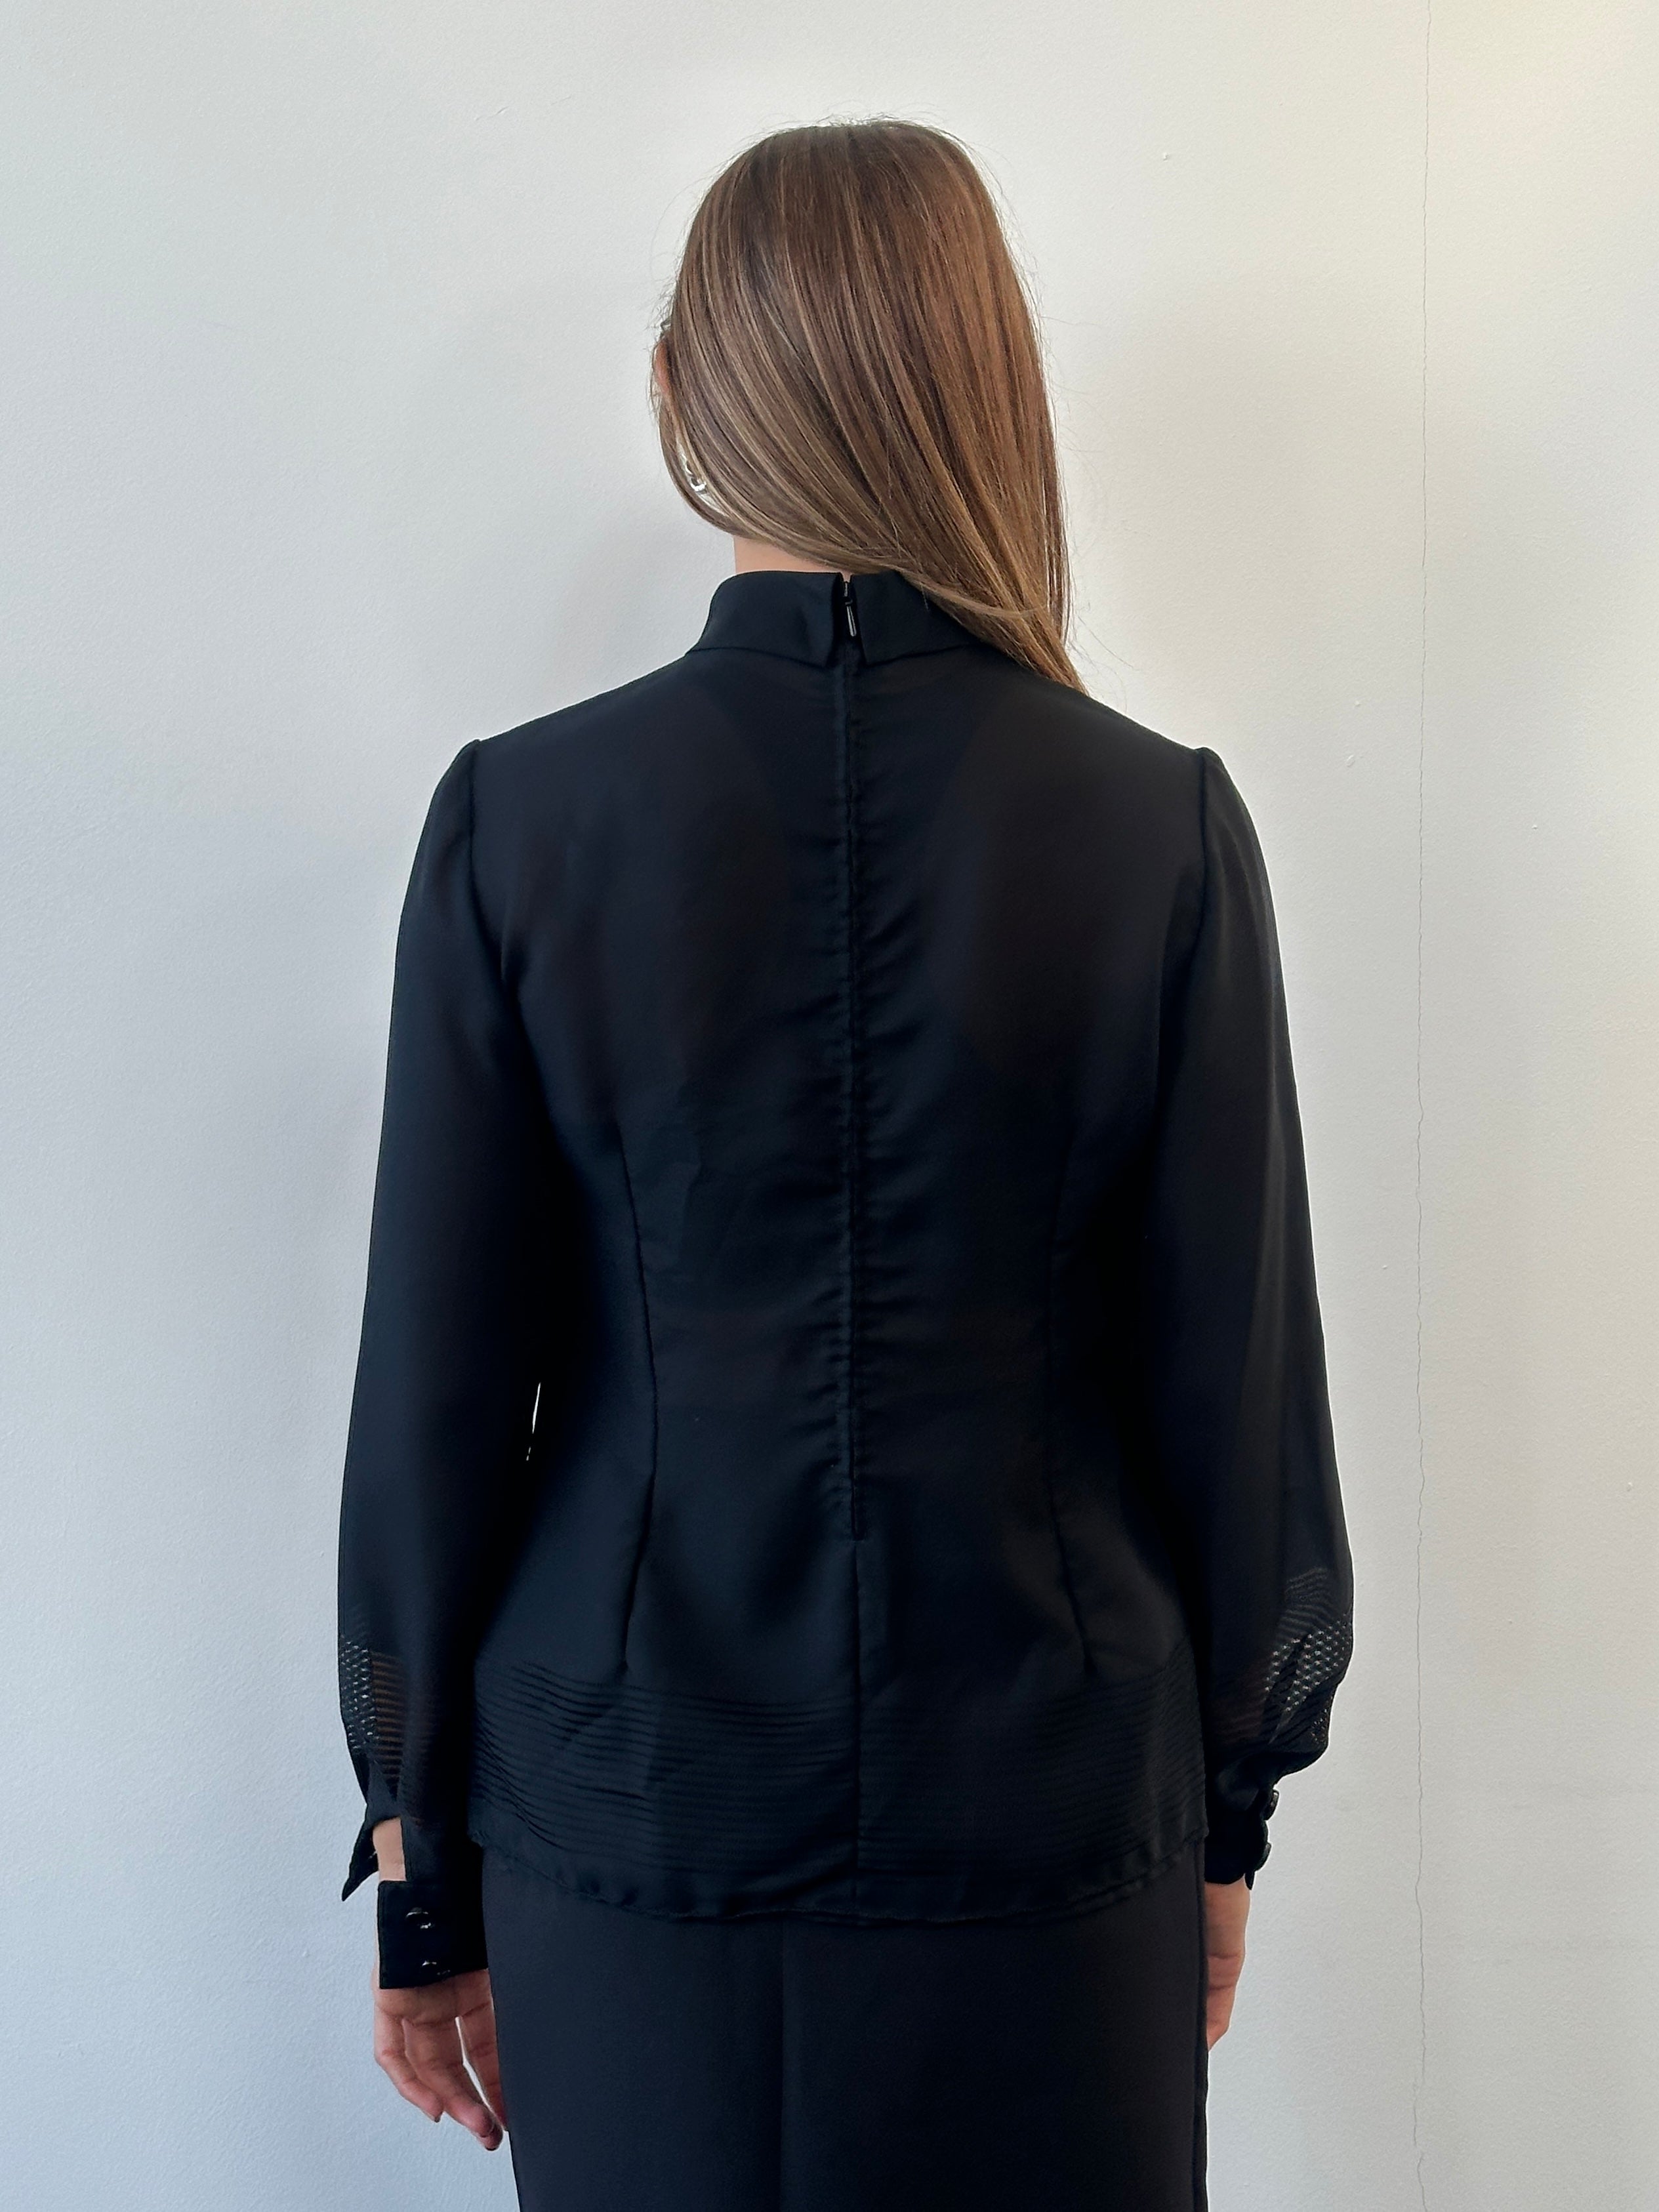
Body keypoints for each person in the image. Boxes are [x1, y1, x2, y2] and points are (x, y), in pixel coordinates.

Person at [336, 117, 1353, 2212]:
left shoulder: (520, 825)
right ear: (986, 389)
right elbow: (1232, 1390)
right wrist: (1226, 1817)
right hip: (1052, 1824)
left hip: (627, 1819)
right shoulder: (1157, 826)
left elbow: (438, 1399)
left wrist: (420, 1873)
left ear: (682, 395)